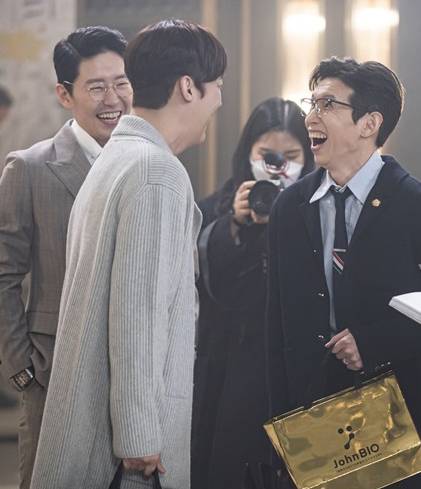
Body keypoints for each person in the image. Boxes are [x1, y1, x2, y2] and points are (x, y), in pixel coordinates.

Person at [29, 19, 226, 489]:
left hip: (94, 427)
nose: (219, 98)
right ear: (188, 87)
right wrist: (139, 435)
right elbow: (138, 314)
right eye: (217, 84)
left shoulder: (120, 156)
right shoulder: (156, 172)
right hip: (127, 455)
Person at [267, 57, 421, 489]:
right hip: (311, 413)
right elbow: (276, 326)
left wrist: (371, 343)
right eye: (311, 103)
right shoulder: (289, 207)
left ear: (370, 123)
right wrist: (278, 428)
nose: (310, 117)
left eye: (328, 104)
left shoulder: (412, 204)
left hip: (396, 417)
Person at [0, 26, 131, 489]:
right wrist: (21, 368)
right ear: (64, 94)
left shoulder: (146, 163)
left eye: (121, 82)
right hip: (53, 369)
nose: (113, 99)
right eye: (96, 87)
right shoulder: (30, 167)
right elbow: (3, 274)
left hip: (130, 373)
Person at [192, 97, 314, 489]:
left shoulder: (320, 206)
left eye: (291, 157)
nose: (278, 168)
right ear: (248, 153)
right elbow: (202, 285)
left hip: (296, 371)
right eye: (267, 156)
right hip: (231, 372)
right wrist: (234, 225)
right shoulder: (214, 208)